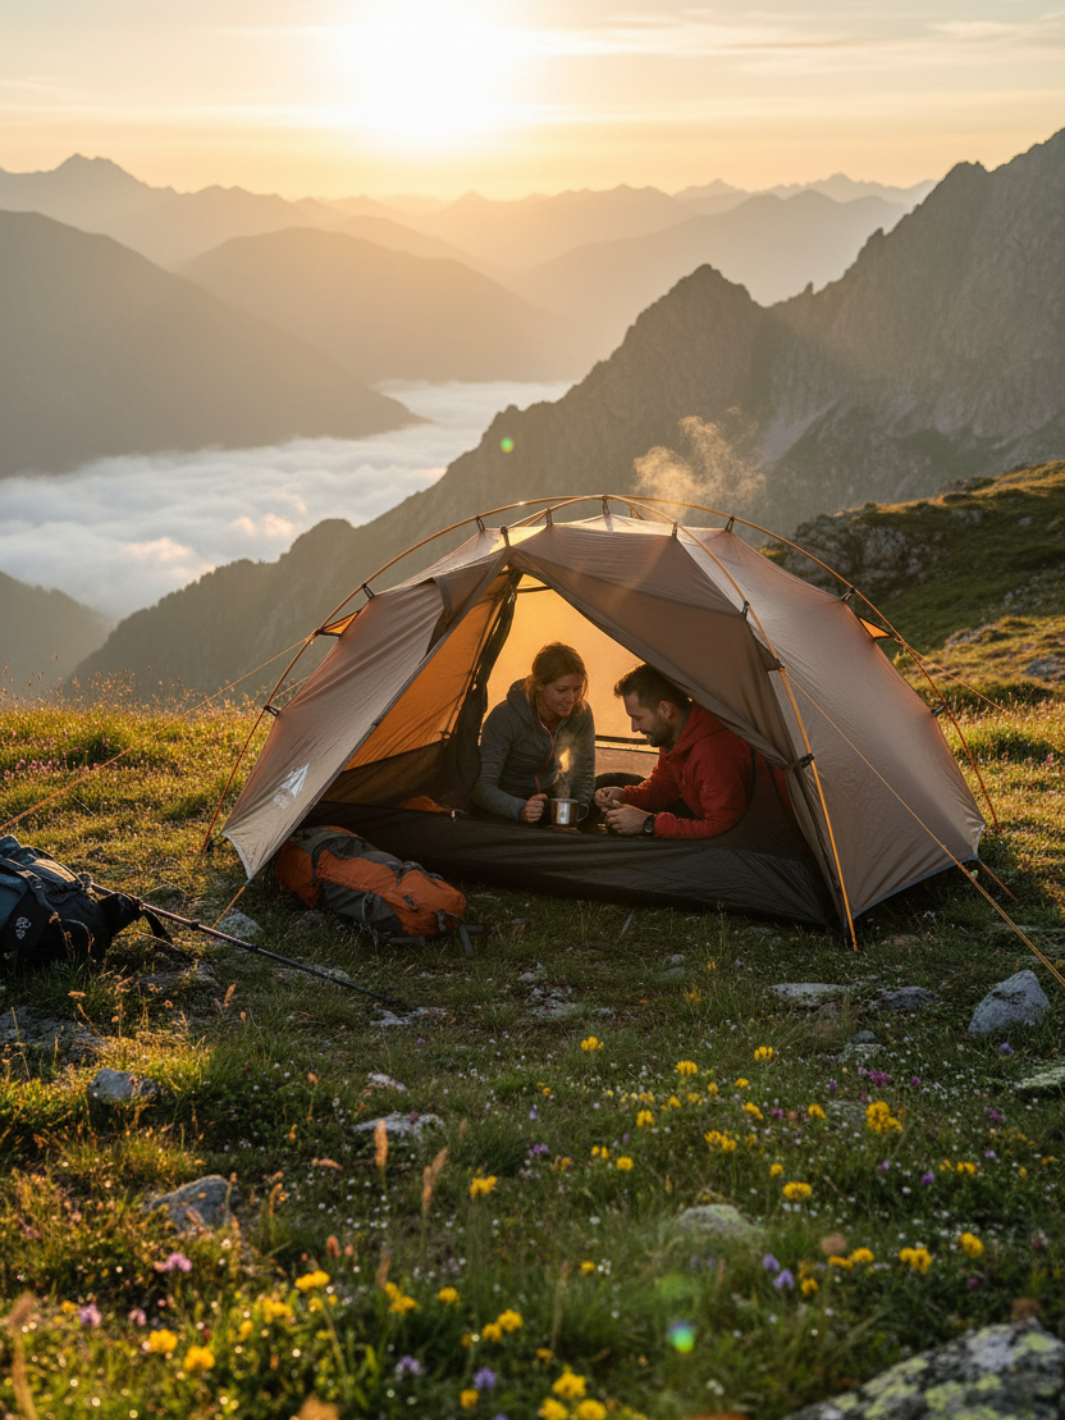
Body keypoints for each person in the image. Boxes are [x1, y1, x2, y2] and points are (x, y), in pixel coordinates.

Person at [594, 664, 754, 838]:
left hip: (749, 850)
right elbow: (664, 787)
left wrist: (649, 824)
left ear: (665, 709)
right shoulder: (675, 736)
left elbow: (723, 828)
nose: (634, 728)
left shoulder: (712, 752)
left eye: (638, 718)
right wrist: (626, 796)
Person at [472, 642, 596, 824]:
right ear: (539, 685)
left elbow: (583, 775)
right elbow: (482, 787)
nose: (571, 699)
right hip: (506, 809)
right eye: (561, 690)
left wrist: (572, 818)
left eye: (577, 689)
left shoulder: (580, 714)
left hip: (548, 805)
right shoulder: (505, 718)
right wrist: (520, 808)